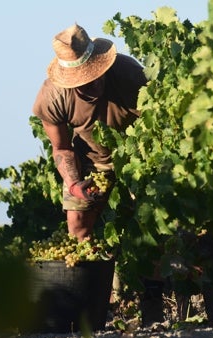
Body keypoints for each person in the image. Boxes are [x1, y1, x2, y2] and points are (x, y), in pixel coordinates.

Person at [32, 23, 147, 241]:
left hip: (139, 156)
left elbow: (156, 120)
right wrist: (74, 185)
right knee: (77, 224)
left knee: (153, 223)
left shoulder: (129, 74)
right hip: (94, 162)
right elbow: (62, 148)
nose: (91, 84)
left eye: (94, 75)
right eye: (82, 82)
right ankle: (91, 270)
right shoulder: (52, 98)